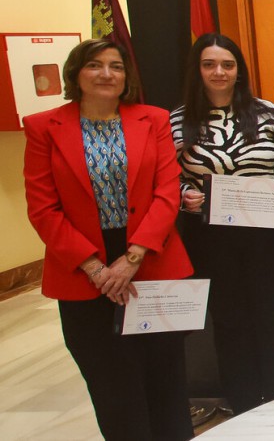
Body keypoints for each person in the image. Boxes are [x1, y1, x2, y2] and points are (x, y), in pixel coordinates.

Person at [23, 38, 193, 440]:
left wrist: (133, 257)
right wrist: (96, 269)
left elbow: (167, 193)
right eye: (95, 65)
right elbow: (43, 208)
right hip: (83, 272)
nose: (106, 74)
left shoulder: (153, 119)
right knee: (113, 386)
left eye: (116, 66)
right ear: (76, 73)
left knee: (166, 381)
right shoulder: (44, 127)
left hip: (152, 259)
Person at [169, 33, 274, 412]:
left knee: (272, 316)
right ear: (197, 70)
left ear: (239, 70)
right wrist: (183, 195)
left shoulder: (269, 114)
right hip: (210, 237)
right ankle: (243, 404)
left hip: (267, 236)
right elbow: (167, 176)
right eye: (209, 64)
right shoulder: (177, 121)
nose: (219, 72)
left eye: (227, 64)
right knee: (228, 320)